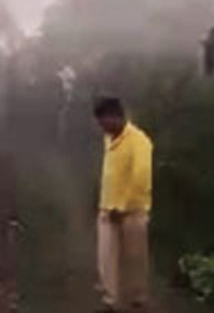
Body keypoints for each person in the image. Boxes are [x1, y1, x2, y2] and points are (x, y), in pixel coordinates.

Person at [93, 96, 153, 312]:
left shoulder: (139, 140)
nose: (102, 128)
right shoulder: (108, 139)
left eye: (105, 122)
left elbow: (141, 178)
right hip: (107, 209)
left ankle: (138, 297)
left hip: (133, 211)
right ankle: (110, 301)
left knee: (135, 257)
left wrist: (123, 206)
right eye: (100, 123)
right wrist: (106, 204)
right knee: (106, 257)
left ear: (117, 116)